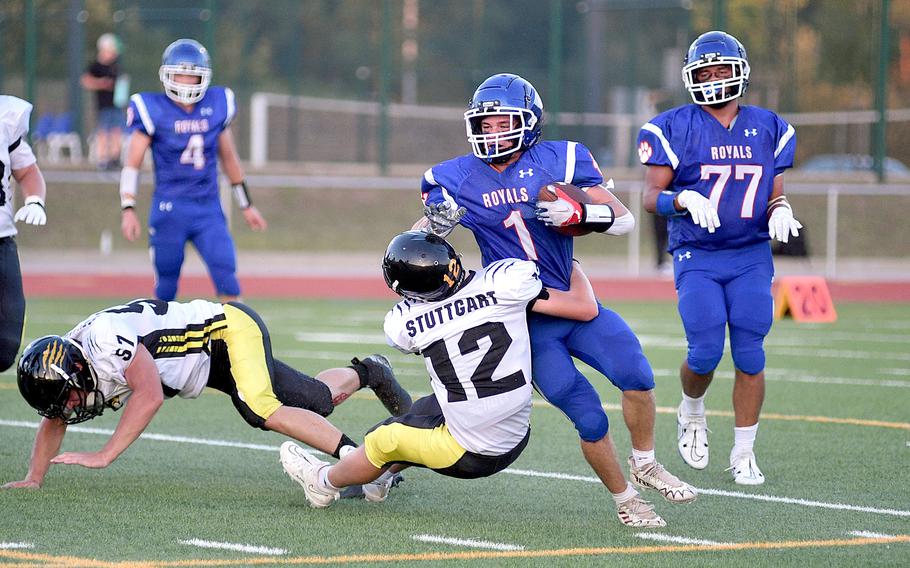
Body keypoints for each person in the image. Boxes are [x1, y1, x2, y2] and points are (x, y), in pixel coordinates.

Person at [415, 74, 695, 527]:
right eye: (484, 123)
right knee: (588, 417)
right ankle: (625, 499)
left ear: (529, 122)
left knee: (637, 375)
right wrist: (432, 226)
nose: (492, 131)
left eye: (502, 121)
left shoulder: (559, 158)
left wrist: (584, 212)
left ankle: (644, 462)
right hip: (520, 319)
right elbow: (424, 240)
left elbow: (622, 220)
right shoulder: (452, 177)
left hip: (568, 296)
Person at [280, 232, 658, 519]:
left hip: (469, 453)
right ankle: (377, 480)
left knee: (383, 439)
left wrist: (419, 232)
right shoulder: (504, 282)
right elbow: (583, 305)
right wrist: (571, 262)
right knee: (424, 413)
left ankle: (324, 483)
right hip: (516, 432)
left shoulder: (405, 323)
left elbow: (412, 313)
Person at [2, 298, 412, 492]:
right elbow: (53, 417)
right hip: (204, 361)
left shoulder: (107, 344)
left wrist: (105, 453)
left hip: (224, 333)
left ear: (76, 369)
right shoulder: (69, 366)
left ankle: (356, 460)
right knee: (318, 400)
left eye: (69, 397)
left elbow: (148, 396)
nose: (72, 407)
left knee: (259, 409)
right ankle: (370, 371)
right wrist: (34, 478)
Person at [638, 31, 802, 485]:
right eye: (704, 72)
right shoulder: (672, 126)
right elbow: (652, 197)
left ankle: (745, 451)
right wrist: (685, 199)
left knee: (750, 351)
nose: (712, 79)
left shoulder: (769, 126)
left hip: (750, 252)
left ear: (740, 73)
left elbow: (774, 193)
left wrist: (781, 209)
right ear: (691, 77)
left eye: (721, 70)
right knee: (706, 351)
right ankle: (692, 410)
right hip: (698, 253)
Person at [119, 38, 267, 302]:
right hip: (169, 209)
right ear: (167, 75)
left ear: (203, 78)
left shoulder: (217, 104)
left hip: (207, 208)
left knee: (227, 277)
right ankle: (160, 342)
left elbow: (229, 158)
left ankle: (233, 341)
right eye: (180, 75)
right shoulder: (152, 108)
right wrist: (128, 208)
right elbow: (133, 163)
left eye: (192, 76)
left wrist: (246, 204)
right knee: (166, 287)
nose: (185, 82)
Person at [0, 95, 48, 372]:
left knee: (5, 347)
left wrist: (34, 201)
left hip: (2, 239)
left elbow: (28, 171)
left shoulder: (6, 117)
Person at [81, 33, 124, 170]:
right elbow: (85, 81)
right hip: (103, 105)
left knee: (117, 131)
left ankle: (115, 158)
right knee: (104, 132)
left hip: (116, 105)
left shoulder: (116, 66)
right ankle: (103, 159)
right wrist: (101, 83)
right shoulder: (96, 66)